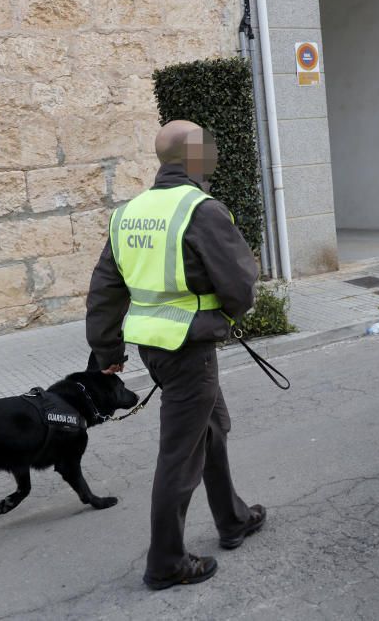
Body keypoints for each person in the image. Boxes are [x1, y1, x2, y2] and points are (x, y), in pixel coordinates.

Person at [86, 119, 266, 590]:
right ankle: (165, 562)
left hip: (156, 349)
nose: (214, 153)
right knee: (179, 457)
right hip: (189, 349)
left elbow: (105, 289)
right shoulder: (200, 209)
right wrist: (226, 316)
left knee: (212, 430)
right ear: (193, 157)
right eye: (208, 147)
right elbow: (241, 283)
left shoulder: (129, 213)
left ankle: (233, 519)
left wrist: (107, 349)